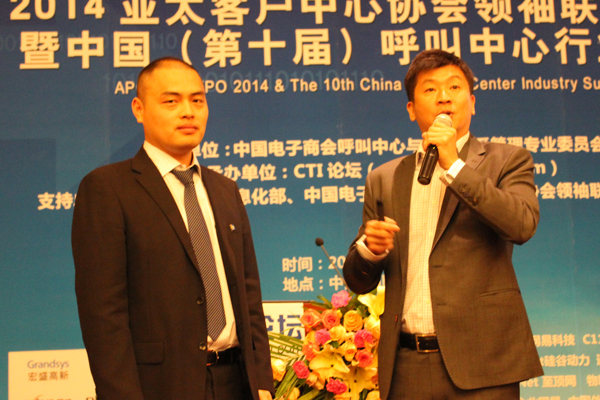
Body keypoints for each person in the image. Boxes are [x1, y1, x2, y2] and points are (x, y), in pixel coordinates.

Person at [343, 49, 543, 400]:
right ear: (411, 109)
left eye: (454, 87)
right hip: (407, 368)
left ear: (472, 102)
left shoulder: (507, 160)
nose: (444, 97)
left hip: (484, 365)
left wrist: (454, 165)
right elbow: (359, 281)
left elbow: (521, 224)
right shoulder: (384, 178)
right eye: (430, 89)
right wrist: (369, 250)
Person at [72, 57, 274, 400]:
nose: (188, 112)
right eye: (171, 101)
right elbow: (103, 316)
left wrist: (262, 383)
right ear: (139, 109)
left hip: (235, 382)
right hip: (160, 386)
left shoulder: (225, 190)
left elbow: (249, 297)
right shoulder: (108, 189)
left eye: (197, 100)